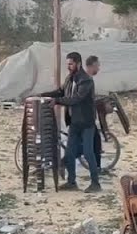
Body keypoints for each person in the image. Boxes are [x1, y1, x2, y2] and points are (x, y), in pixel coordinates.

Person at [41, 51, 100, 192]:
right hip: (74, 122)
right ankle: (71, 182)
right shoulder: (69, 78)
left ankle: (96, 183)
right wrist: (44, 95)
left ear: (78, 64)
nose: (69, 66)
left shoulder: (86, 80)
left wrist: (57, 101)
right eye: (67, 64)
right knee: (69, 153)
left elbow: (76, 99)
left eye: (71, 64)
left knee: (88, 153)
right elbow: (61, 92)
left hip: (86, 123)